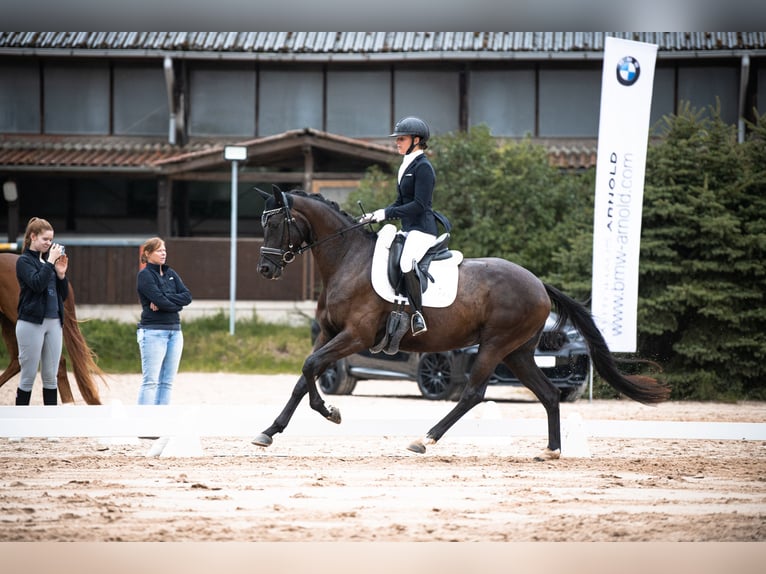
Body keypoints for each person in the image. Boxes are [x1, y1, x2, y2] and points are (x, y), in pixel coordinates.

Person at [359, 116, 447, 336]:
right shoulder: (405, 165)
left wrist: (386, 213)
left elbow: (418, 205)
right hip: (408, 229)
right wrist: (376, 215)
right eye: (397, 139)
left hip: (423, 230)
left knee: (407, 262)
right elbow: (399, 203)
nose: (396, 143)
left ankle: (418, 315)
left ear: (416, 140)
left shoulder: (424, 167)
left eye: (401, 139)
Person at [14, 217, 68, 408]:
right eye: (45, 239)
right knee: (28, 376)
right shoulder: (24, 261)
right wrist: (51, 262)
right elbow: (36, 284)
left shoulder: (48, 264)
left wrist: (61, 275)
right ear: (33, 237)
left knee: (50, 377)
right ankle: (18, 428)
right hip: (31, 323)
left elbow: (63, 296)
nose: (49, 243)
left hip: (54, 322)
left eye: (51, 239)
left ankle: (50, 425)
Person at [136, 237, 192, 405]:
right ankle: (144, 425)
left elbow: (187, 296)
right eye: (159, 250)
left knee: (167, 382)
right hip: (153, 332)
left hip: (175, 332)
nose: (163, 253)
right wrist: (174, 303)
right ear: (147, 253)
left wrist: (166, 300)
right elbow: (159, 300)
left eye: (164, 250)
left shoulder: (171, 273)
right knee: (151, 381)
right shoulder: (145, 275)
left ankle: (161, 423)